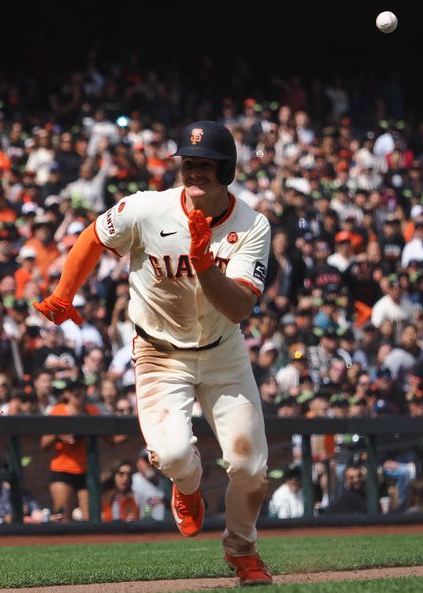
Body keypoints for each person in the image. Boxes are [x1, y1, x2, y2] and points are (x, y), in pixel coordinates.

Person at [34, 120, 273, 586]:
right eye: (188, 165)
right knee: (172, 456)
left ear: (227, 169)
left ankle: (242, 550)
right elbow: (93, 236)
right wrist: (65, 293)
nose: (193, 173)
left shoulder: (252, 224)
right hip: (160, 352)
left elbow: (240, 304)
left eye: (205, 166)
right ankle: (187, 488)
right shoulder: (147, 209)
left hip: (224, 351)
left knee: (249, 466)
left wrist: (205, 266)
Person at [40, 380, 102, 523]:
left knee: (91, 517)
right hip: (62, 468)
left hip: (86, 470)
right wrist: (59, 436)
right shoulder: (58, 411)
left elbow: (111, 439)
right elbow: (44, 444)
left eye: (81, 388)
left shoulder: (92, 411)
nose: (78, 392)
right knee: (63, 517)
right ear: (67, 393)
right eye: (74, 389)